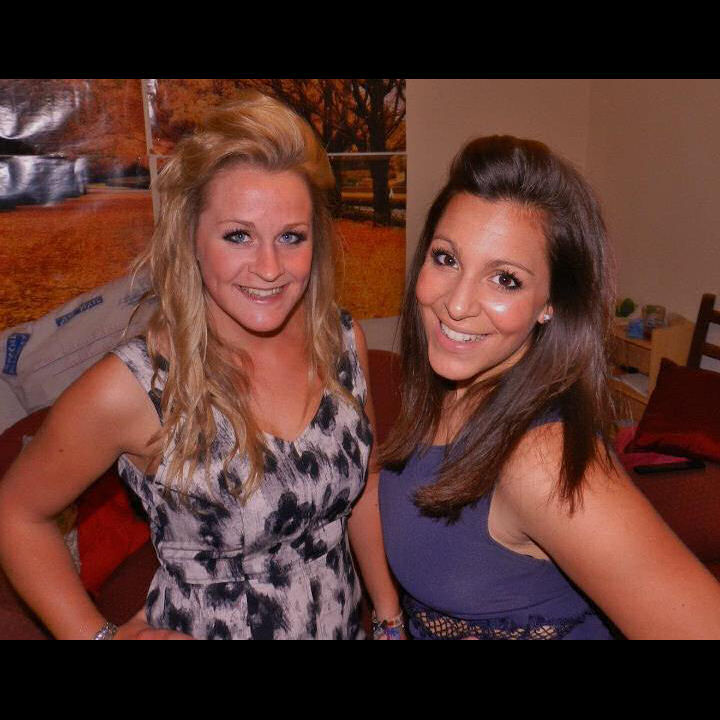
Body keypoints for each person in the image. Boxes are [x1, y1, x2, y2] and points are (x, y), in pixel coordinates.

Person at [0, 91, 402, 640]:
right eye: (238, 235)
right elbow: (15, 513)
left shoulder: (341, 342)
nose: (269, 268)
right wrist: (97, 636)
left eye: (291, 236)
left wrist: (388, 615)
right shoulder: (137, 386)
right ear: (191, 237)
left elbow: (367, 484)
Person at [378, 135, 720, 640]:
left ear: (551, 303)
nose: (457, 304)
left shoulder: (541, 459)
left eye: (505, 279)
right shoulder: (447, 389)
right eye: (446, 258)